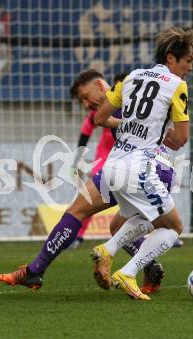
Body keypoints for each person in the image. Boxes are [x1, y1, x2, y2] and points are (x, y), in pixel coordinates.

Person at [0, 70, 175, 294]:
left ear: (100, 85)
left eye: (85, 96)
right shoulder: (134, 97)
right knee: (117, 226)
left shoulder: (121, 95)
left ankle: (36, 270)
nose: (85, 103)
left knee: (76, 212)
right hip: (159, 167)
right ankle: (149, 265)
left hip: (139, 168)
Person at [91, 26, 193, 300]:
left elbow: (99, 118)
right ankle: (128, 272)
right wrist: (167, 139)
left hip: (112, 167)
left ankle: (106, 251)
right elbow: (181, 138)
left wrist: (129, 126)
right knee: (174, 227)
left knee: (142, 218)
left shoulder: (130, 77)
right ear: (171, 59)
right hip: (139, 169)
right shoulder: (177, 85)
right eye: (188, 61)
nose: (190, 67)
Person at [68, 73, 128, 249]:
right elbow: (86, 132)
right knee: (89, 195)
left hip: (129, 155)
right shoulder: (99, 109)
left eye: (86, 97)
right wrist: (76, 161)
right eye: (83, 100)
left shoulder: (130, 101)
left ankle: (161, 232)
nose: (86, 104)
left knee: (146, 194)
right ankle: (77, 236)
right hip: (105, 155)